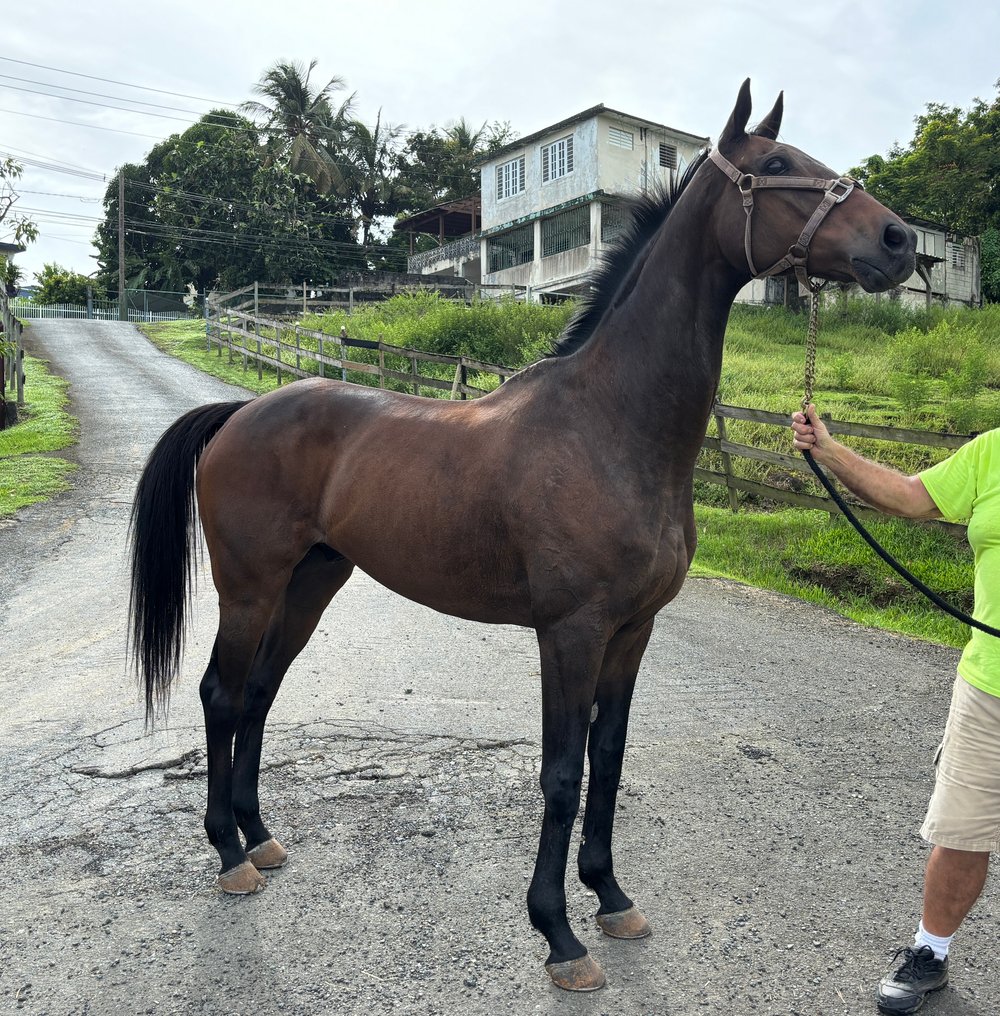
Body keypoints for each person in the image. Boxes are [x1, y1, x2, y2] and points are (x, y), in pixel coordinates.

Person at [791, 403, 998, 1016]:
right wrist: (827, 451)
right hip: (989, 687)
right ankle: (929, 953)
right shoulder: (991, 450)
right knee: (959, 834)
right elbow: (911, 497)